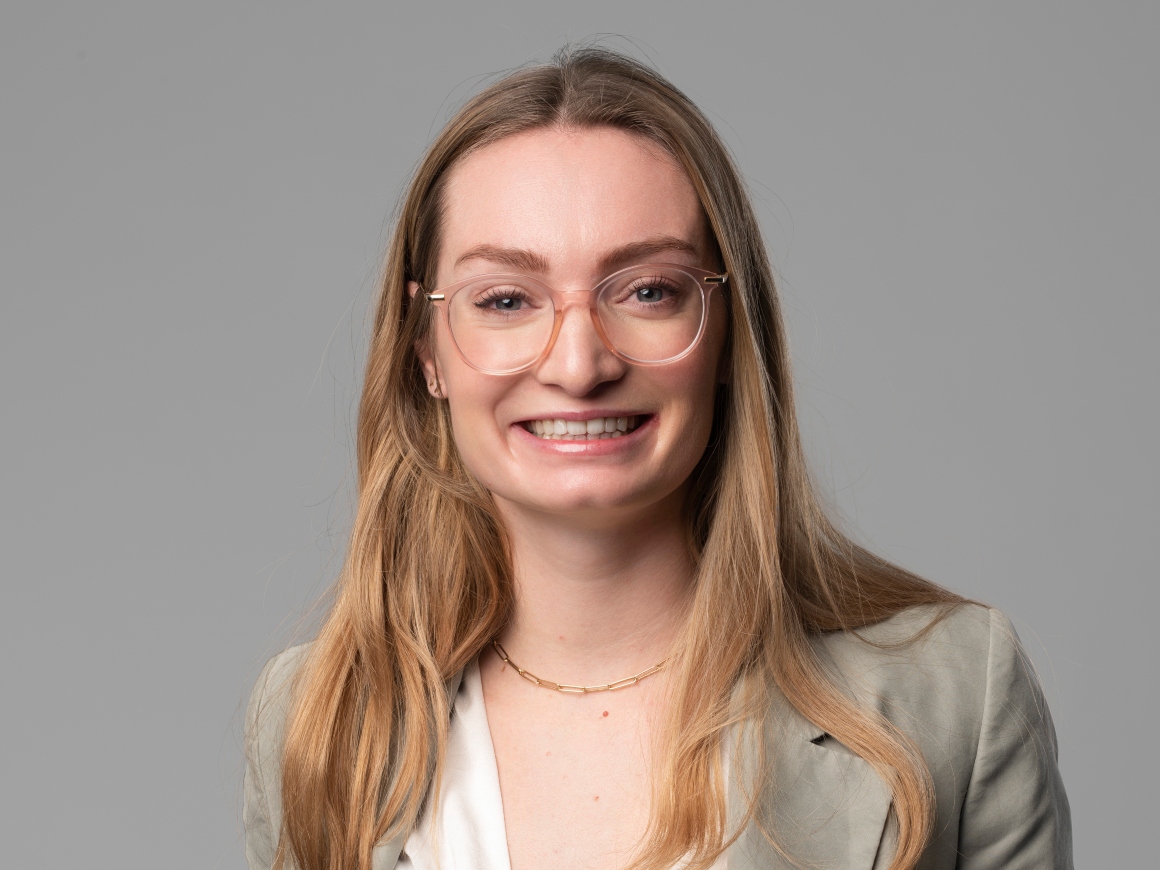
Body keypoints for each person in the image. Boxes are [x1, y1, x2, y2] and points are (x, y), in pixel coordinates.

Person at [243, 47, 1072, 870]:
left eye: (647, 291)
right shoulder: (317, 725)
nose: (579, 365)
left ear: (726, 333)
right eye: (505, 299)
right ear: (426, 350)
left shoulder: (952, 696)